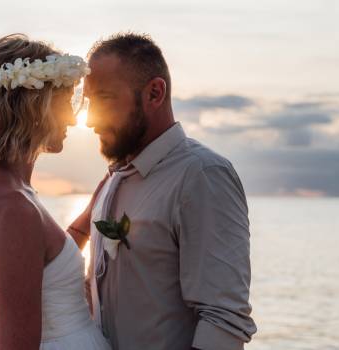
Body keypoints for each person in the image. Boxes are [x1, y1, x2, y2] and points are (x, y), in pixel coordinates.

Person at [83, 32, 257, 350]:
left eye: (105, 98)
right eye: (88, 102)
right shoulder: (113, 180)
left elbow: (223, 321)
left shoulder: (202, 175)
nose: (90, 119)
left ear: (154, 93)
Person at [0, 33, 111, 350]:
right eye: (65, 103)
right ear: (33, 107)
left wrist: (96, 207)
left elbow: (37, 263)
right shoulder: (12, 207)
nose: (72, 117)